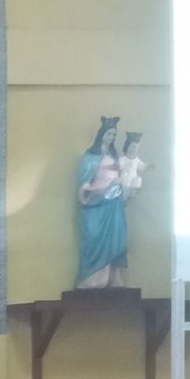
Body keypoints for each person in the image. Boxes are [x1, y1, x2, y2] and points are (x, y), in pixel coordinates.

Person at [76, 116, 128, 289]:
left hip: (114, 205)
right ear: (102, 134)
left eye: (114, 134)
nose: (111, 137)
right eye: (109, 133)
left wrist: (120, 185)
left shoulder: (114, 157)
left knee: (115, 240)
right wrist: (93, 190)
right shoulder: (90, 157)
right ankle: (92, 280)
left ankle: (113, 278)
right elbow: (84, 184)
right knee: (93, 237)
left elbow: (122, 176)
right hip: (96, 204)